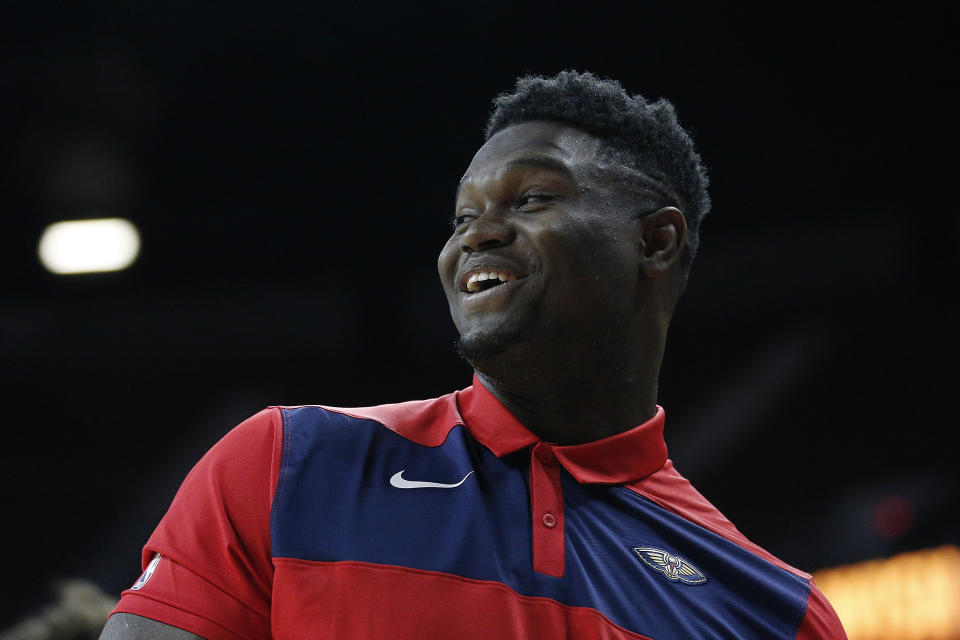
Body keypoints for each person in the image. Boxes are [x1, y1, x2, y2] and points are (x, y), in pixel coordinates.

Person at [100, 71, 847, 639]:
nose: (475, 235)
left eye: (530, 200)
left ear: (655, 241)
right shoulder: (289, 463)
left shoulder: (775, 611)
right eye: (464, 215)